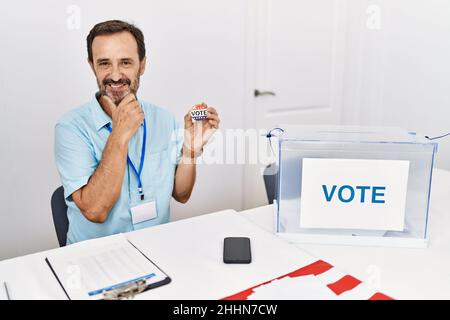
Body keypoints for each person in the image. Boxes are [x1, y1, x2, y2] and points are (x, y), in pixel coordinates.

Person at [54, 20, 220, 244]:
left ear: (142, 65)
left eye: (125, 62)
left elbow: (181, 195)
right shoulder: (70, 128)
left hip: (156, 249)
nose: (115, 75)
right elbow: (95, 210)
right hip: (96, 256)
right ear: (92, 66)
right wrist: (120, 133)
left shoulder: (164, 119)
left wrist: (190, 149)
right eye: (104, 63)